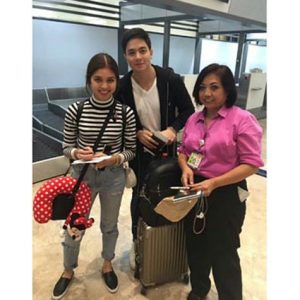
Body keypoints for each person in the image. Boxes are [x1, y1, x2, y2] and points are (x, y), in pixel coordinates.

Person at [52, 53, 136, 299]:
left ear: (116, 82)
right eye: (98, 79)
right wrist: (79, 151)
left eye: (110, 80)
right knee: (74, 225)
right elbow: (66, 146)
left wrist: (114, 159)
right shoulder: (76, 110)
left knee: (109, 226)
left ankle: (107, 264)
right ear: (89, 80)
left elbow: (131, 149)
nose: (104, 86)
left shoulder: (125, 113)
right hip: (82, 176)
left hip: (113, 177)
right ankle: (68, 270)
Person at [178, 63, 264, 300]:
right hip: (195, 188)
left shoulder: (242, 119)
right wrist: (185, 168)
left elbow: (252, 163)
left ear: (227, 90)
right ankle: (199, 290)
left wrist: (215, 183)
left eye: (214, 87)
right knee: (196, 244)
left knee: (223, 250)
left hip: (226, 190)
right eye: (203, 87)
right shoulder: (194, 119)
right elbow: (183, 150)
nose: (207, 93)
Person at [115, 27, 195, 266]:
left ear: (151, 51)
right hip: (139, 156)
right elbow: (117, 120)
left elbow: (189, 111)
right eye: (132, 53)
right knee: (140, 197)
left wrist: (172, 129)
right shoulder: (122, 87)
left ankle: (169, 247)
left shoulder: (170, 80)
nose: (138, 57)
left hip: (168, 154)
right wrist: (136, 132)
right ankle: (138, 244)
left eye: (142, 50)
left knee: (169, 196)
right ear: (126, 57)